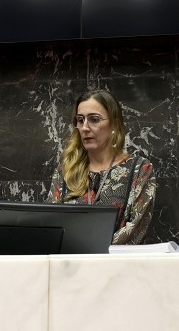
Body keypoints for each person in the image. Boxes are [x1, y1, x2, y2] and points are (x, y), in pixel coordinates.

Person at [49, 90, 156, 244]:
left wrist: (91, 250)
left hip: (119, 264)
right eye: (80, 120)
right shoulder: (66, 171)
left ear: (113, 123)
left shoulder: (139, 169)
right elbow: (51, 225)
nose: (85, 127)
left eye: (94, 119)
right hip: (72, 264)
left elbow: (136, 230)